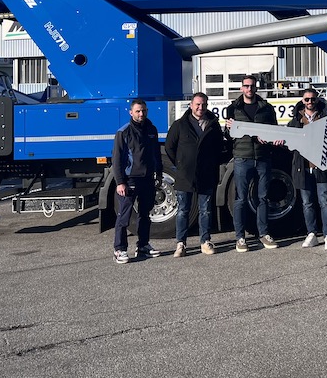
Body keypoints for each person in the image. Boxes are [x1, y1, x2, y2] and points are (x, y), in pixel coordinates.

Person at [164, 92, 225, 257]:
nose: (200, 107)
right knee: (183, 210)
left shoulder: (213, 125)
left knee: (205, 210)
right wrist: (181, 164)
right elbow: (169, 147)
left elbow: (219, 148)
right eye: (197, 104)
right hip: (185, 176)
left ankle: (205, 241)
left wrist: (212, 164)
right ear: (191, 105)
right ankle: (181, 244)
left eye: (203, 104)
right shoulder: (180, 125)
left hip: (206, 175)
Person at [226, 75, 282, 252]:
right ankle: (240, 237)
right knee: (241, 199)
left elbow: (274, 130)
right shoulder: (233, 108)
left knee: (263, 198)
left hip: (262, 158)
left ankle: (264, 234)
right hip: (242, 158)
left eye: (252, 86)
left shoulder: (266, 108)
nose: (249, 89)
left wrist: (271, 140)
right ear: (241, 88)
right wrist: (228, 129)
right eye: (246, 86)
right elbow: (228, 136)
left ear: (256, 88)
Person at [111, 98, 163, 264]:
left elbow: (156, 153)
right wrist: (120, 182)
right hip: (130, 179)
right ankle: (119, 249)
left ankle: (143, 245)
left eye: (144, 111)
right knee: (124, 216)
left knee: (145, 214)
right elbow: (117, 159)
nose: (141, 114)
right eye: (138, 111)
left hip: (148, 179)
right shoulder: (123, 132)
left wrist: (159, 174)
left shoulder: (152, 129)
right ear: (131, 112)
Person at [288, 88, 327, 250]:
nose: (310, 102)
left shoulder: (326, 118)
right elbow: (289, 141)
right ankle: (312, 234)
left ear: (317, 100)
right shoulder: (296, 120)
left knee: (325, 202)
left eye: (313, 99)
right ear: (302, 101)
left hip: (321, 167)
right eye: (307, 99)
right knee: (307, 203)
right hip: (303, 167)